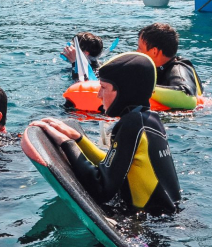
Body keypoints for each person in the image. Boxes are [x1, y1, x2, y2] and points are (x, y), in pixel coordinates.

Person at [22, 51, 180, 214]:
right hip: (169, 217)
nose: (98, 95)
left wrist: (66, 143)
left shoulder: (131, 123)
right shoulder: (149, 119)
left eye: (103, 88)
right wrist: (78, 139)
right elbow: (112, 167)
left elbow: (102, 189)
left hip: (148, 223)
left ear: (124, 92)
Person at [137, 22, 203, 109]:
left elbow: (187, 98)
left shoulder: (178, 69)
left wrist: (141, 88)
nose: (137, 51)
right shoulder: (155, 68)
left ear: (154, 51)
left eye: (140, 48)